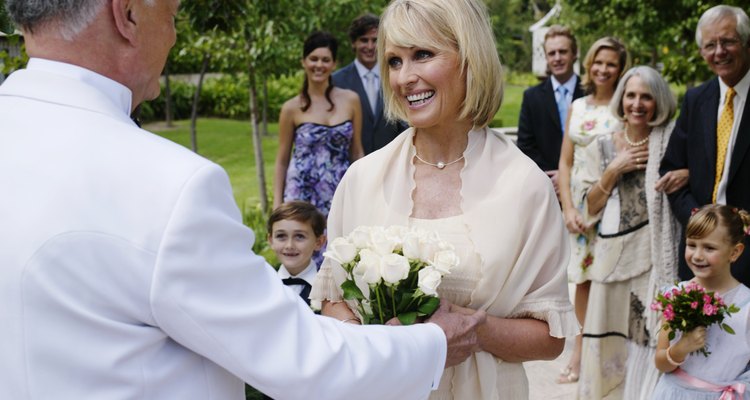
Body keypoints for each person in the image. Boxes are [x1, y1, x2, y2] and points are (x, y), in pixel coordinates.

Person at [0, 1, 488, 399]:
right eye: (170, 16)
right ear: (126, 15)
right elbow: (299, 359)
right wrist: (431, 342)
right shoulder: (169, 185)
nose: (172, 37)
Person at [311, 0, 579, 398]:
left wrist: (476, 331)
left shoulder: (524, 185)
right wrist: (371, 344)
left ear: (470, 58)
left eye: (422, 54)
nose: (405, 78)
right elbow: (332, 298)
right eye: (395, 61)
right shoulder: (362, 180)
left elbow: (550, 337)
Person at [575, 66, 682, 399]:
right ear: (621, 100)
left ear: (658, 101)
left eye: (646, 96)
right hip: (610, 266)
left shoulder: (673, 144)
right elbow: (587, 209)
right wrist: (613, 170)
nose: (637, 103)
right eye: (631, 95)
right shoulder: (601, 146)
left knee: (647, 343)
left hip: (653, 264)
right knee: (607, 347)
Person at [556, 36, 628, 385]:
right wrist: (568, 207)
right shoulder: (578, 106)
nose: (603, 69)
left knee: (611, 279)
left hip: (615, 207)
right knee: (583, 282)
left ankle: (610, 354)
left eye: (611, 64)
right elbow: (565, 163)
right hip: (581, 210)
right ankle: (580, 350)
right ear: (589, 65)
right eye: (598, 62)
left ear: (621, 69)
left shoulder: (626, 108)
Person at [661, 5, 750, 288]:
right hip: (700, 254)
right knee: (697, 334)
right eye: (710, 45)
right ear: (702, 52)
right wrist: (701, 222)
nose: (719, 51)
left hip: (747, 247)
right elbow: (671, 172)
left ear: (746, 43)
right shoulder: (696, 99)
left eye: (728, 41)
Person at [652, 204, 750, 399]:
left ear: (735, 252)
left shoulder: (746, 305)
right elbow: (660, 362)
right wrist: (681, 348)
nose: (697, 255)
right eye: (691, 245)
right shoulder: (676, 296)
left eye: (709, 248)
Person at [273, 31, 364, 217]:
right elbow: (282, 160)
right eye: (313, 59)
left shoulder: (351, 100)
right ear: (303, 62)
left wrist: (364, 191)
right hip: (300, 192)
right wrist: (277, 205)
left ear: (334, 63)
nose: (319, 65)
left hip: (339, 189)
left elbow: (356, 152)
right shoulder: (291, 108)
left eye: (325, 59)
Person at [517, 25, 584, 197]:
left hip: (586, 183)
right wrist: (552, 177)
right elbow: (526, 146)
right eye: (551, 53)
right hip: (547, 186)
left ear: (574, 54)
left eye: (563, 51)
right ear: (546, 57)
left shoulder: (590, 93)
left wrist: (568, 173)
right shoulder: (531, 97)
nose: (557, 58)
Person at [333, 13, 407, 155]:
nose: (370, 46)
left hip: (392, 161)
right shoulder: (337, 81)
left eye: (375, 40)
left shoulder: (398, 76)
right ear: (353, 43)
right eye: (364, 40)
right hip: (352, 165)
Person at [267, 201, 326, 306]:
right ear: (271, 241)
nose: (289, 245)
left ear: (318, 242)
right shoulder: (265, 283)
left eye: (299, 236)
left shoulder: (328, 289)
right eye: (281, 236)